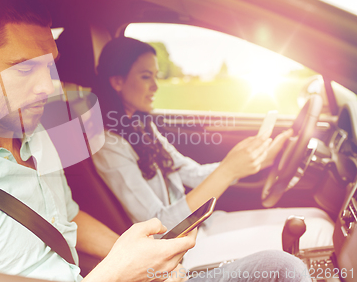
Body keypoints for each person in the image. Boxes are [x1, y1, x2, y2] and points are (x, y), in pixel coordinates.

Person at [0, 0, 310, 282]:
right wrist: (117, 271)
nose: (48, 87)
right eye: (25, 68)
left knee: (279, 267)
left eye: (51, 66)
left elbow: (66, 216)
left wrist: (141, 257)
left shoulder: (33, 135)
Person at [91, 37, 334, 268]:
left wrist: (259, 161)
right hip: (179, 250)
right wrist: (228, 170)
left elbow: (193, 173)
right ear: (117, 81)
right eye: (146, 77)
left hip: (199, 227)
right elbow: (160, 227)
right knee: (322, 233)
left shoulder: (143, 126)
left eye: (156, 76)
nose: (155, 85)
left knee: (317, 216)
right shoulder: (107, 145)